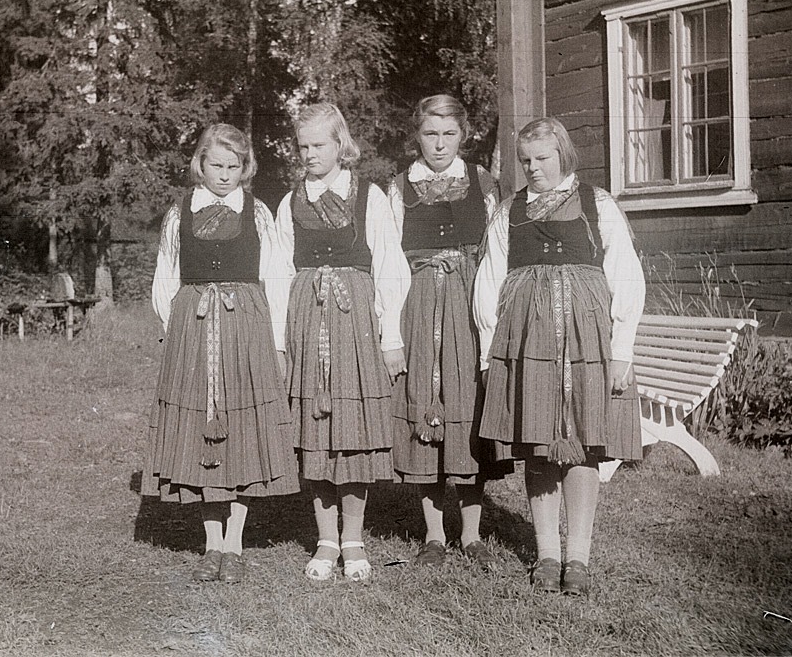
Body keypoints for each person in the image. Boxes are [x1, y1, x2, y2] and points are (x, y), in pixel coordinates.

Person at [473, 117, 645, 598]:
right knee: (539, 445)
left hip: (588, 343)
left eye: (542, 158)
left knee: (585, 444)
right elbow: (489, 284)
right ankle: (547, 554)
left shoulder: (598, 204)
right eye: (525, 160)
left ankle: (579, 558)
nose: (533, 168)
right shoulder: (508, 212)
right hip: (529, 346)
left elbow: (626, 275)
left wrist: (622, 351)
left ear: (563, 156)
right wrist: (492, 355)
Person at [143, 123, 299, 584]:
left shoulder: (258, 212)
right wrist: (174, 336)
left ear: (245, 168)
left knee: (241, 429)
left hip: (245, 327)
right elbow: (165, 280)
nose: (225, 175)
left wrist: (275, 343)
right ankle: (211, 543)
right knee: (201, 433)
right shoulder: (180, 213)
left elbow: (276, 277)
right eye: (216, 165)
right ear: (200, 164)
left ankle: (236, 543)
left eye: (234, 167)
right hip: (193, 328)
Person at [276, 102, 409, 582]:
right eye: (303, 146)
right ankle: (325, 539)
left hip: (355, 324)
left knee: (351, 433)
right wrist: (280, 343)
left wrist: (390, 335)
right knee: (316, 431)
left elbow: (392, 267)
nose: (309, 154)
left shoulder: (368, 196)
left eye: (318, 145)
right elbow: (277, 276)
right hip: (307, 323)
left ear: (340, 146)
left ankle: (352, 539)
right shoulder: (289, 202)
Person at [387, 95, 509, 570]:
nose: (439, 145)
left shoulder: (483, 183)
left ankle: (473, 533)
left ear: (465, 134)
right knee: (426, 406)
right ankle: (434, 535)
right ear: (416, 135)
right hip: (419, 307)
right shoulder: (399, 187)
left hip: (469, 305)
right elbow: (388, 263)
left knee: (468, 410)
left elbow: (499, 256)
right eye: (430, 134)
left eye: (449, 134)